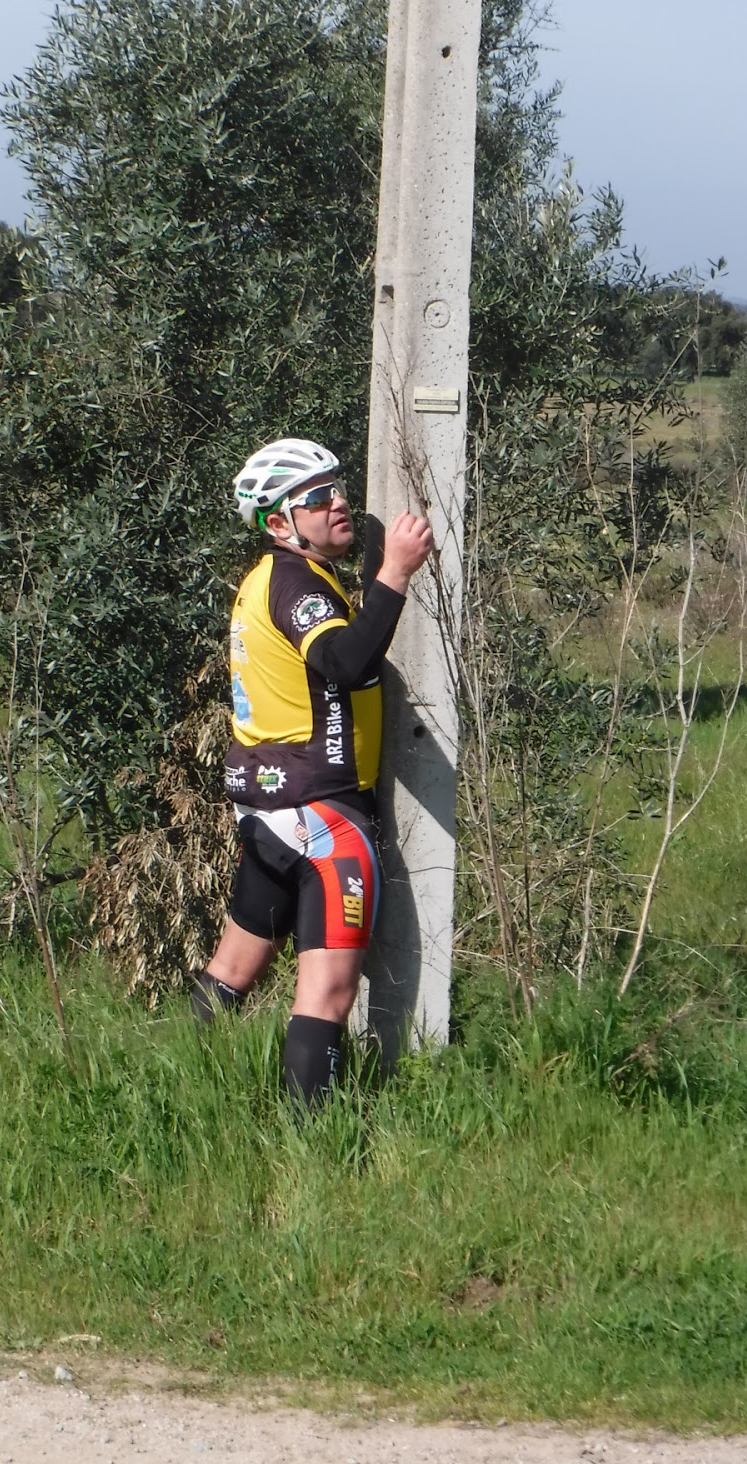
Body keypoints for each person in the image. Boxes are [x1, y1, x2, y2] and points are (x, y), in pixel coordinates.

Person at [191, 437, 433, 1106]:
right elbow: (345, 663)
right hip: (322, 814)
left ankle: (179, 1089)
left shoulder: (268, 580)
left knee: (229, 973)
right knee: (327, 995)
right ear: (279, 523)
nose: (339, 503)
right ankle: (313, 1141)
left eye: (338, 488)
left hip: (268, 808)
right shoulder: (297, 584)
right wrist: (395, 573)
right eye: (318, 498)